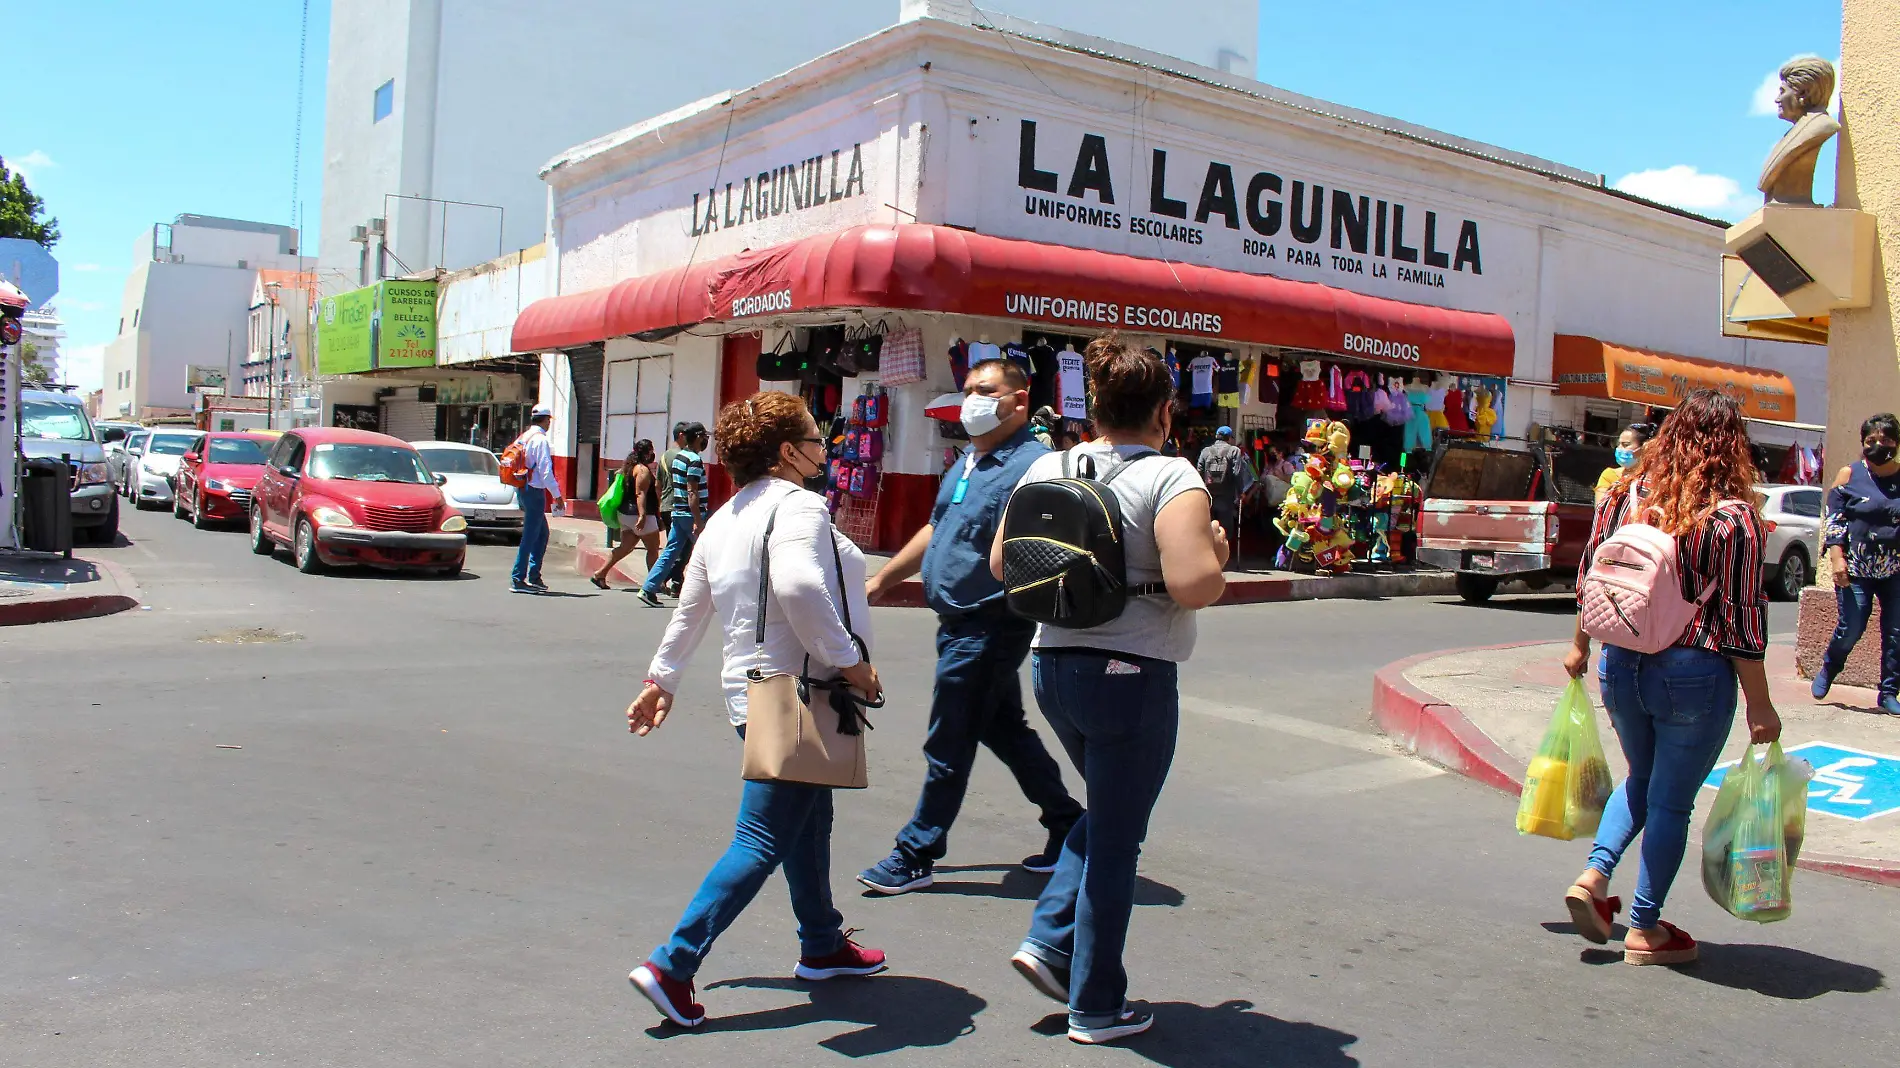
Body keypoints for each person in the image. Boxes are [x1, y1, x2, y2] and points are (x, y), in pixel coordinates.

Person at [624, 391, 888, 1029]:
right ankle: (672, 963)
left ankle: (822, 942)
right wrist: (850, 660)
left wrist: (663, 679)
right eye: (814, 438)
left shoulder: (725, 517)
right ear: (788, 453)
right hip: (799, 693)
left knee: (808, 818)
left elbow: (692, 607)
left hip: (756, 694)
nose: (823, 448)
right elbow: (798, 584)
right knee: (765, 834)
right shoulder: (799, 505)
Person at [993, 335, 1228, 1045]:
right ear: (1164, 412)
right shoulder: (1171, 478)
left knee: (1108, 813)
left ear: (1092, 408)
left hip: (1053, 668)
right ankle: (1096, 1003)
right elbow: (1194, 584)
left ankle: (1052, 942)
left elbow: (1006, 563)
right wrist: (1215, 551)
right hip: (1132, 674)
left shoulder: (1051, 465)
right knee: (1120, 839)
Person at [1560, 389, 1781, 966]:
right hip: (1693, 672)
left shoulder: (1623, 496)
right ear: (1732, 446)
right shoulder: (1733, 519)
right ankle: (1643, 927)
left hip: (1621, 662)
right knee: (1671, 802)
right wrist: (1761, 706)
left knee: (1642, 776)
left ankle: (1593, 876)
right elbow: (1739, 623)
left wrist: (1580, 645)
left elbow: (1588, 577)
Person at [857, 360, 1083, 895]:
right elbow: (938, 528)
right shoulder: (968, 463)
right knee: (1002, 728)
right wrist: (882, 580)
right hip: (956, 620)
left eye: (985, 390)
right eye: (967, 390)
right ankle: (1070, 823)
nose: (973, 399)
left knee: (949, 738)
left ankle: (917, 851)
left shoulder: (1036, 467)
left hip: (990, 624)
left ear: (1020, 402)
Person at [1814, 412, 1900, 714]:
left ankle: (1889, 693)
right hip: (1856, 570)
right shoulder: (1848, 475)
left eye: (1885, 440)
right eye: (1870, 441)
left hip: (1895, 571)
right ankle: (1829, 667)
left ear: (1897, 444)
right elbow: (1835, 521)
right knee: (1852, 626)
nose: (1878, 445)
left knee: (1896, 632)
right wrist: (1837, 559)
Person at [640, 423, 708, 608]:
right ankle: (720, 595)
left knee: (669, 553)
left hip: (678, 512)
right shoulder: (694, 460)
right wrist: (698, 521)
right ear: (698, 437)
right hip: (690, 514)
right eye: (704, 437)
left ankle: (648, 588)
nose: (706, 441)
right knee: (709, 553)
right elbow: (692, 492)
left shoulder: (679, 457)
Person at [591, 440, 663, 590]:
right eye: (651, 451)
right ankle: (654, 584)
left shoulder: (627, 468)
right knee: (653, 549)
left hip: (624, 514)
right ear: (647, 452)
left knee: (625, 547)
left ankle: (600, 574)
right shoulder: (642, 470)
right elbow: (640, 493)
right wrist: (642, 515)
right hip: (640, 514)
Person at [509, 407, 562, 594]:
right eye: (549, 420)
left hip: (523, 489)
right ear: (545, 420)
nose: (549, 423)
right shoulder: (540, 440)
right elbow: (546, 472)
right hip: (534, 492)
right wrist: (557, 495)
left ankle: (534, 576)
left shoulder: (524, 437)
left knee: (542, 534)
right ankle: (518, 578)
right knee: (530, 537)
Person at [1196, 425, 1254, 567]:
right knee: (1225, 527)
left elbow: (1198, 471)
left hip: (1208, 495)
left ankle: (1208, 557)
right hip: (1226, 495)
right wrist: (1240, 492)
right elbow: (1236, 473)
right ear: (1229, 438)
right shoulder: (1234, 451)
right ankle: (1223, 558)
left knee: (1208, 525)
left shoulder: (1205, 451)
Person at [1594, 422, 1655, 502]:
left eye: (1625, 445)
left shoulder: (1654, 480)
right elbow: (1600, 509)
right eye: (1618, 444)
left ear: (1644, 448)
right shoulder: (1610, 475)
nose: (1619, 448)